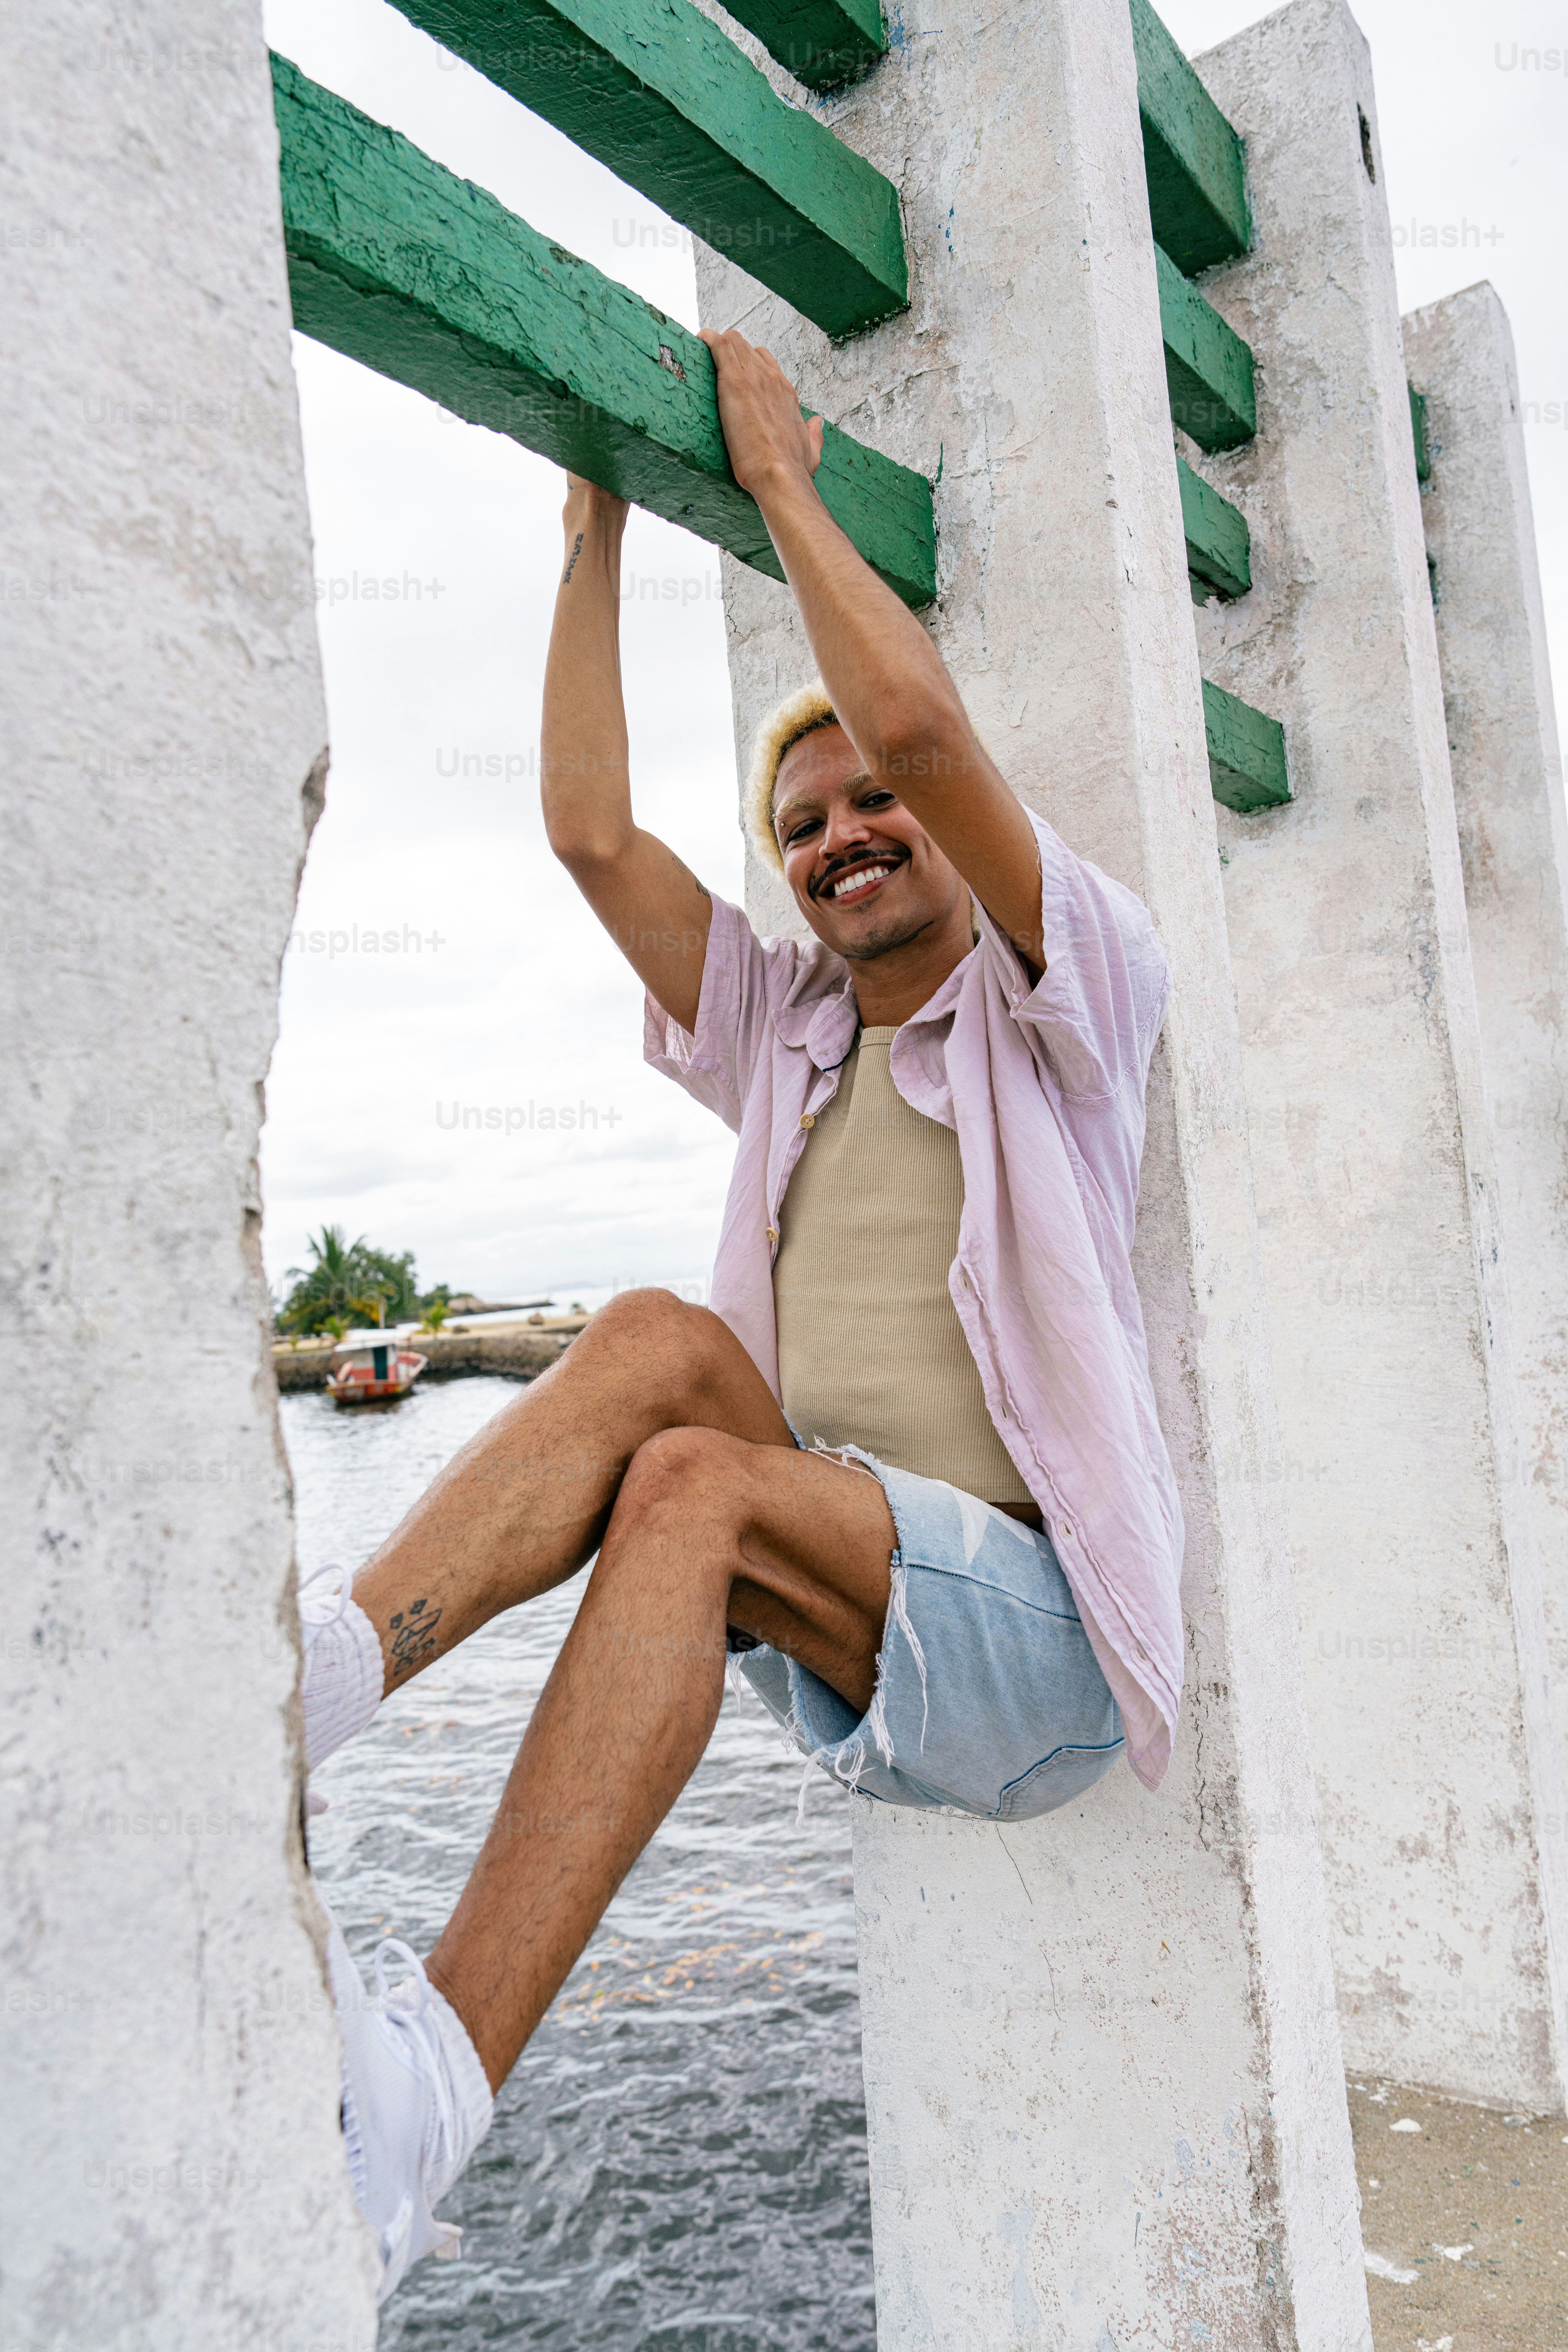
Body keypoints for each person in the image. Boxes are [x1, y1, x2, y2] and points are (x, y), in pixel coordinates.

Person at [300, 329, 1184, 2301]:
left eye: (871, 805)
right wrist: (595, 520)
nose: (842, 834)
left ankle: (428, 2093)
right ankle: (306, 1702)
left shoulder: (1069, 999)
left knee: (693, 1483)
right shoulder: (785, 1032)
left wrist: (777, 480)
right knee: (651, 1344)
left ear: (942, 826)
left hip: (1033, 1637)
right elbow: (590, 839)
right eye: (801, 826)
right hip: (862, 1588)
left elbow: (929, 734)